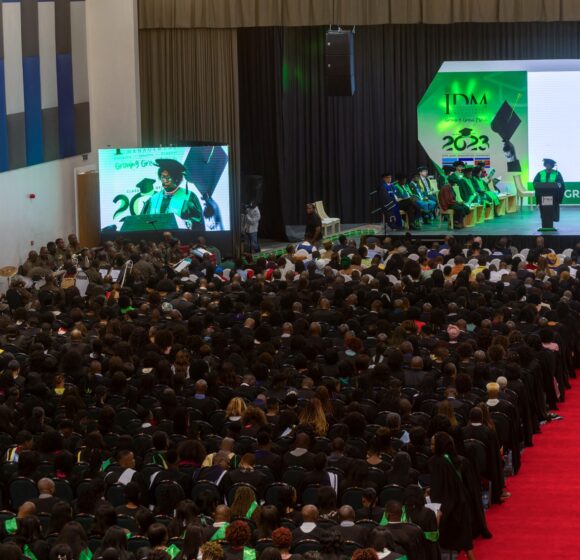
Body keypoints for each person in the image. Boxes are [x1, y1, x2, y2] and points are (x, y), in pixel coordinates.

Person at [141, 159, 204, 230]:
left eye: (168, 177)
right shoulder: (153, 199)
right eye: (163, 177)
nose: (165, 180)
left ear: (176, 179)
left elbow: (198, 224)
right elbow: (142, 222)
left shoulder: (188, 197)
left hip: (180, 236)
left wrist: (183, 223)